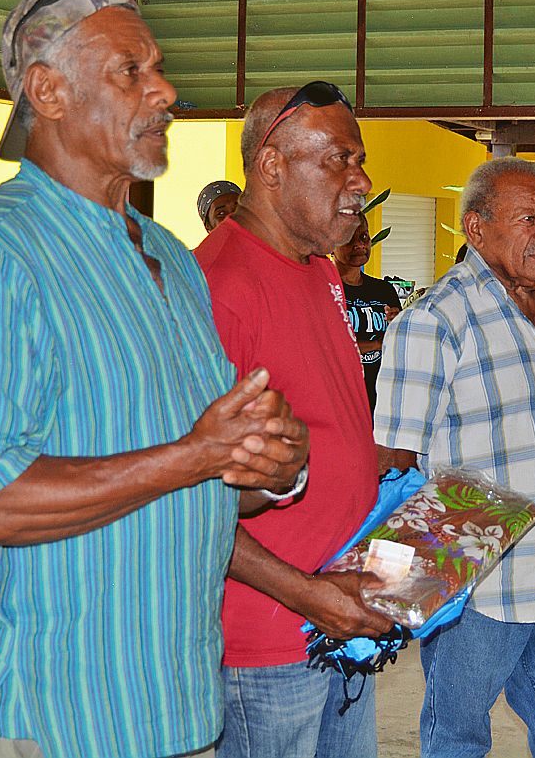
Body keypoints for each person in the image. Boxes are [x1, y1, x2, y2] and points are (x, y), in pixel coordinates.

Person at [0, 0, 309, 758]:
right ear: (48, 92)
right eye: (133, 70)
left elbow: (196, 489)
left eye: (157, 69)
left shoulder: (167, 256)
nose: (163, 92)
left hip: (173, 700)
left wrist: (266, 465)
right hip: (55, 711)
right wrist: (194, 454)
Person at [376, 157, 535, 758]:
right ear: (476, 229)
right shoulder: (434, 320)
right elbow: (393, 464)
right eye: (527, 218)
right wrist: (387, 587)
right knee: (457, 736)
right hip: (478, 583)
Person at [194, 82, 395, 758]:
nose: (360, 179)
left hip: (339, 618)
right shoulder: (220, 286)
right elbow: (186, 505)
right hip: (268, 642)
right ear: (272, 165)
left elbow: (328, 424)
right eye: (337, 159)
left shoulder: (321, 271)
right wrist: (310, 596)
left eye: (358, 160)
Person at [332, 214, 401, 409]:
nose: (358, 244)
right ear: (331, 244)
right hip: (340, 399)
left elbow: (398, 344)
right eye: (348, 238)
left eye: (364, 237)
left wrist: (398, 323)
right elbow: (329, 347)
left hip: (380, 398)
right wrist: (377, 344)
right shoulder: (323, 289)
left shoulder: (384, 290)